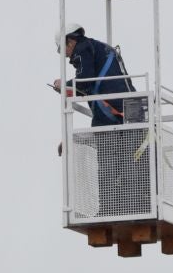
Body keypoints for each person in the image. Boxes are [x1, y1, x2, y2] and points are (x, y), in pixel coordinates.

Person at [54, 26, 149, 217]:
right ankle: (139, 205)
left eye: (65, 51)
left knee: (108, 163)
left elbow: (86, 80)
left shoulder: (82, 49)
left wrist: (64, 85)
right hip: (131, 111)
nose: (68, 57)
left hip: (111, 115)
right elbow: (94, 83)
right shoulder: (101, 49)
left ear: (70, 42)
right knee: (133, 162)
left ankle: (109, 208)